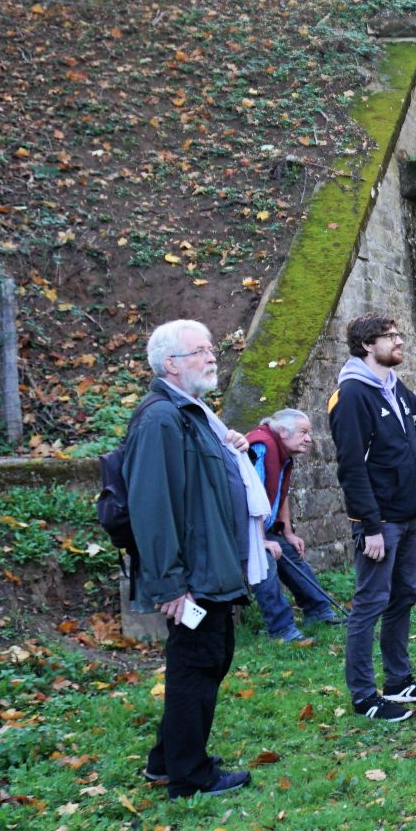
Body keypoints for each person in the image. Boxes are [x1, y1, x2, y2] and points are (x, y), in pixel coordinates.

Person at [123, 319, 253, 798]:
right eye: (200, 351)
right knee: (195, 668)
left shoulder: (192, 414)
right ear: (170, 364)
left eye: (212, 347)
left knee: (207, 662)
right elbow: (153, 507)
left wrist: (230, 445)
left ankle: (167, 760)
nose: (211, 356)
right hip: (193, 576)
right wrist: (172, 585)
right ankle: (189, 776)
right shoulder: (161, 418)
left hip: (209, 567)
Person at [329, 313, 416, 723]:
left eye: (398, 334)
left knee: (402, 596)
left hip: (409, 514)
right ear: (365, 346)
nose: (399, 341)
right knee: (370, 603)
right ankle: (363, 695)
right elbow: (351, 466)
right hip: (381, 521)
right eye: (389, 336)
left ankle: (399, 681)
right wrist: (369, 525)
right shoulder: (353, 393)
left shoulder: (392, 386)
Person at [244, 409, 343, 645]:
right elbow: (251, 496)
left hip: (260, 528)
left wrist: (287, 533)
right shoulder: (262, 447)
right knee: (264, 564)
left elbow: (281, 492)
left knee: (290, 553)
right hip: (243, 527)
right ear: (282, 432)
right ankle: (281, 629)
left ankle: (319, 610)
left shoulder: (282, 453)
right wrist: (260, 541)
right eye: (303, 432)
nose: (309, 439)